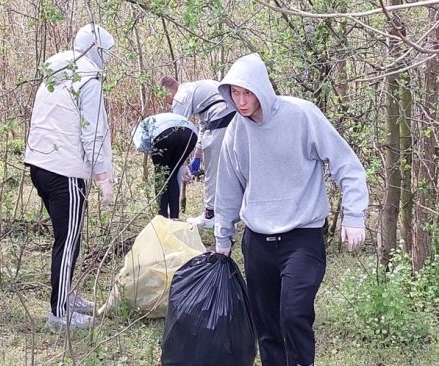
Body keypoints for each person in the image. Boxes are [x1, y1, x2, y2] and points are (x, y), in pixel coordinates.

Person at [214, 53, 368, 366]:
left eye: (247, 92)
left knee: (293, 313)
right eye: (235, 94)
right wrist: (222, 234)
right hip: (257, 241)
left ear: (261, 89)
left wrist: (354, 215)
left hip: (302, 236)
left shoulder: (301, 115)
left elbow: (346, 165)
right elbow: (228, 185)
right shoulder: (236, 131)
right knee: (267, 325)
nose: (241, 101)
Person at [24, 23, 115, 330]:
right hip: (65, 171)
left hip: (40, 166)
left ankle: (67, 294)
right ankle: (59, 312)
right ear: (96, 51)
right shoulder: (88, 81)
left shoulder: (55, 75)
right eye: (107, 53)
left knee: (67, 237)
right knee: (68, 239)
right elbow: (93, 131)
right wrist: (104, 178)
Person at [161, 77, 235, 229]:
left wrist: (181, 164)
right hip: (232, 118)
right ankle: (226, 213)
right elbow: (203, 125)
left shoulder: (181, 98)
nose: (168, 103)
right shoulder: (194, 89)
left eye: (165, 98)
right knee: (228, 170)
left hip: (221, 121)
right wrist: (197, 156)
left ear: (169, 91)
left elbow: (177, 132)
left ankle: (210, 215)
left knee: (212, 171)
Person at [132, 112, 197, 219]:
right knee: (172, 174)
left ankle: (162, 218)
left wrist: (155, 157)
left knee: (161, 176)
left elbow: (141, 145)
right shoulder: (154, 119)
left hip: (164, 133)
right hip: (190, 133)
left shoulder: (139, 128)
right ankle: (174, 218)